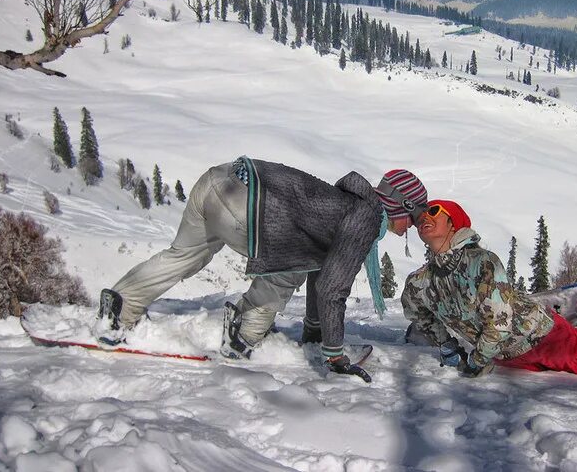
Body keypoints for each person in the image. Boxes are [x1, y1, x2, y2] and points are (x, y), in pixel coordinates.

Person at [96, 157, 428, 379]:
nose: (409, 228)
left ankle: (120, 306)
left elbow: (323, 273)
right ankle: (242, 335)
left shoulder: (346, 202)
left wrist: (316, 332)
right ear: (401, 206)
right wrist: (334, 353)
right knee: (291, 257)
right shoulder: (365, 217)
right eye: (412, 219)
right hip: (246, 201)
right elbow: (332, 288)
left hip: (219, 179)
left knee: (185, 255)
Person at [402, 199, 577, 378]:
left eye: (434, 211)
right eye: (421, 217)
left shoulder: (482, 261)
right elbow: (417, 311)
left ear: (454, 224)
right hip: (504, 356)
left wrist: (477, 361)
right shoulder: (419, 282)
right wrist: (446, 344)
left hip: (543, 338)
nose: (425, 218)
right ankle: (561, 313)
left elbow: (499, 322)